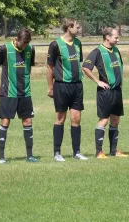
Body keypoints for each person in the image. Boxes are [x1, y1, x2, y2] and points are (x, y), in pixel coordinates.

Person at [0, 29, 38, 164]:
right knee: (5, 122)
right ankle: (1, 157)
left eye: (27, 44)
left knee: (28, 122)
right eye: (23, 43)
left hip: (25, 93)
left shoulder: (31, 49)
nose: (25, 46)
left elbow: (29, 67)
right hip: (8, 93)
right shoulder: (5, 49)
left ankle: (29, 155)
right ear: (17, 39)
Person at [82, 27, 129, 158]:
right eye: (116, 37)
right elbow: (86, 67)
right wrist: (98, 81)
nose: (118, 39)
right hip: (106, 92)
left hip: (117, 91)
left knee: (115, 120)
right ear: (107, 37)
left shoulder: (115, 50)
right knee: (104, 120)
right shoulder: (98, 52)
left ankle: (114, 151)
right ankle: (99, 152)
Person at [47, 18, 87, 161]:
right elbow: (50, 68)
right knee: (61, 118)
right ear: (69, 27)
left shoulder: (78, 43)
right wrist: (50, 87)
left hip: (77, 85)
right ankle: (57, 153)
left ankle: (76, 152)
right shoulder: (55, 44)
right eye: (77, 26)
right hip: (62, 86)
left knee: (76, 119)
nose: (79, 29)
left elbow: (79, 62)